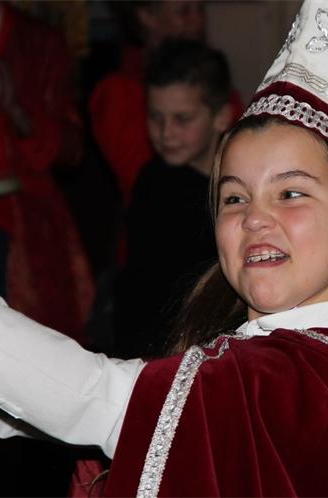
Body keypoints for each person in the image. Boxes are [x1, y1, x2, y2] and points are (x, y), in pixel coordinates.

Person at [0, 1, 328, 495]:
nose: (254, 217)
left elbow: (96, 395)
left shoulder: (273, 376)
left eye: (290, 193)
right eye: (234, 198)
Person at [0, 2, 95, 494]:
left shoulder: (40, 42)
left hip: (27, 239)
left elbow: (73, 150)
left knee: (30, 390)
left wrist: (18, 111)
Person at [113, 39, 232, 359]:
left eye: (182, 119)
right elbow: (139, 287)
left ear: (221, 117)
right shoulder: (153, 180)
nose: (166, 133)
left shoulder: (237, 191)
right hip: (151, 347)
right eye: (156, 117)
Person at [90, 0, 242, 206]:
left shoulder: (211, 82)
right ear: (146, 15)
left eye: (200, 9)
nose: (197, 20)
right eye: (184, 11)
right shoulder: (120, 91)